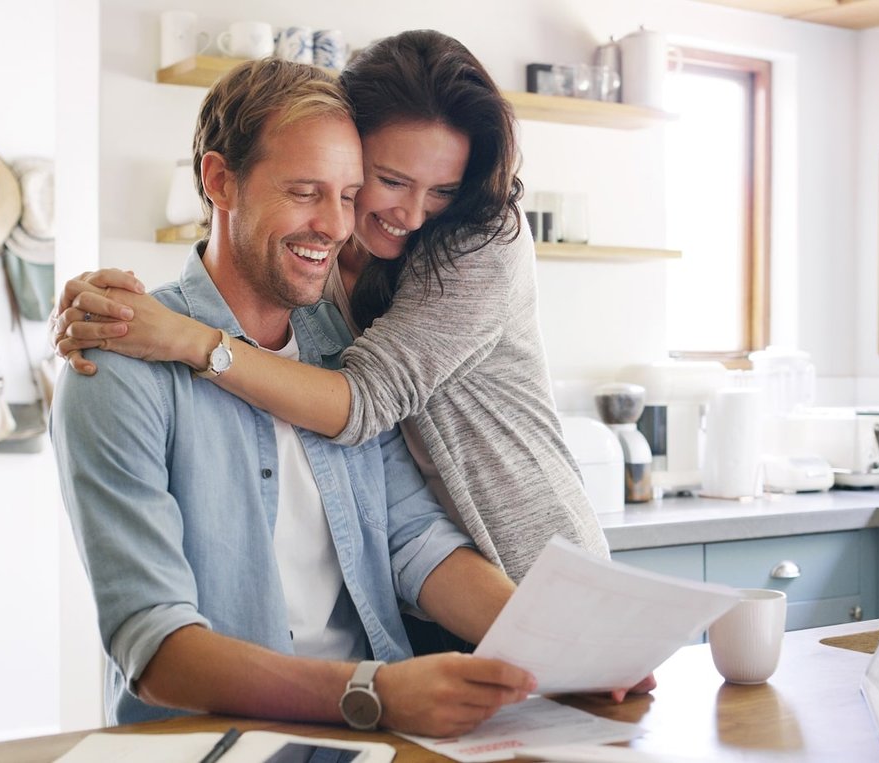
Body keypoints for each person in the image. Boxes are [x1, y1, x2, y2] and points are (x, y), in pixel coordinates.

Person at [52, 58, 538, 735]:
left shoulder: (340, 350)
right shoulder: (119, 365)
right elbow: (154, 642)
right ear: (220, 181)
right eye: (306, 192)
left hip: (369, 731)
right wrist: (374, 692)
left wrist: (559, 645)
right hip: (213, 742)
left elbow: (413, 538)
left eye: (347, 194)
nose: (336, 225)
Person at [52, 30, 606, 586]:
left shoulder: (480, 242)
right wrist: (107, 301)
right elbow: (242, 247)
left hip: (533, 562)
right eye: (389, 181)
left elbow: (362, 401)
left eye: (442, 190)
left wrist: (186, 339)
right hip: (419, 586)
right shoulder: (329, 256)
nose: (414, 215)